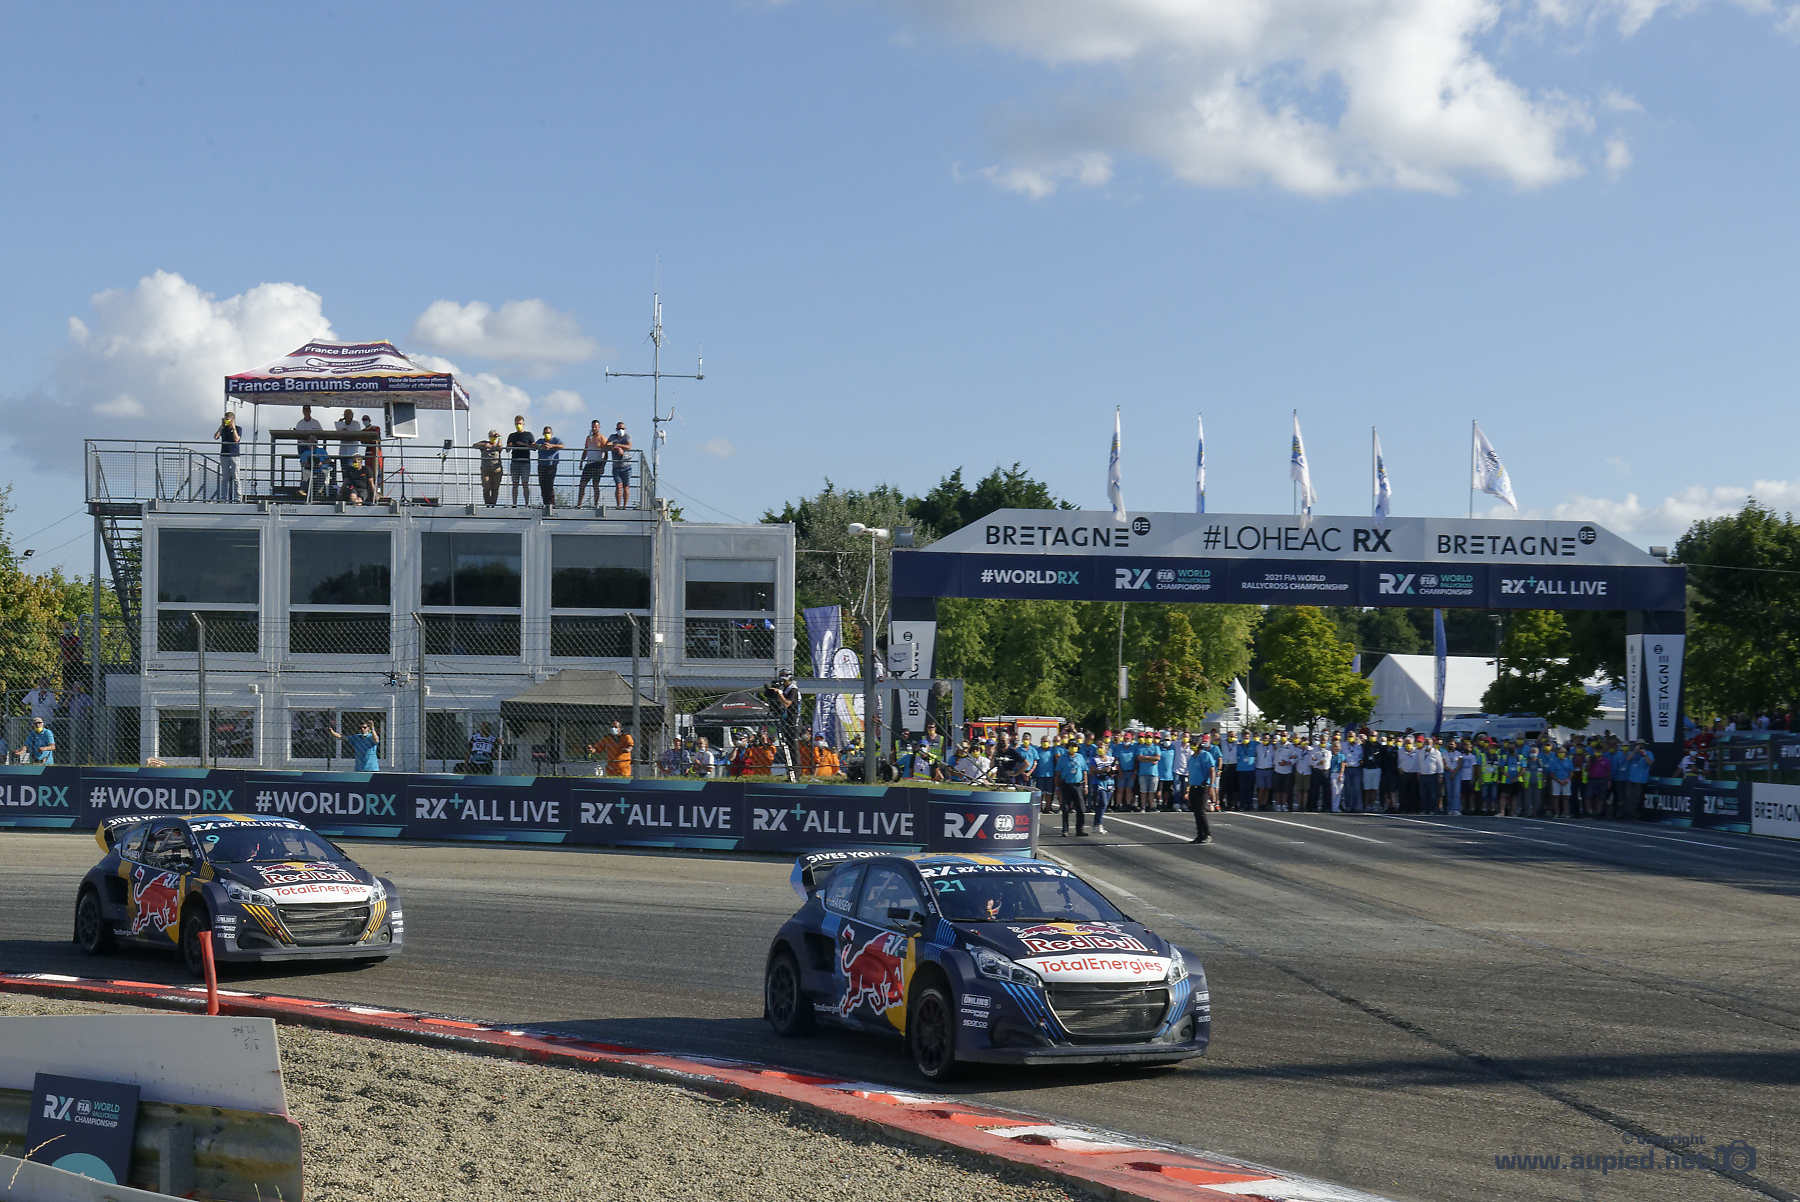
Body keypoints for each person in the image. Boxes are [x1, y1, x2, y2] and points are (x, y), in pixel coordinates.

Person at [1056, 738, 1088, 836]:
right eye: (1071, 746)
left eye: (1075, 746)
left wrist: (1086, 785)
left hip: (1078, 785)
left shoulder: (1080, 757)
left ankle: (1080, 830)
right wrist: (1057, 787)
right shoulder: (1063, 758)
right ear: (1068, 747)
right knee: (1065, 808)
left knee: (1081, 808)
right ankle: (1065, 830)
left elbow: (1084, 771)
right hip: (1066, 785)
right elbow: (1058, 773)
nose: (1073, 748)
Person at [294, 404, 326, 499]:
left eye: (308, 410)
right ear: (303, 411)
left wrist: (322, 462)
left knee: (321, 472)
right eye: (305, 410)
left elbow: (322, 433)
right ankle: (304, 489)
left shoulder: (316, 422)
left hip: (315, 453)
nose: (306, 412)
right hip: (303, 447)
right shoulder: (299, 423)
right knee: (305, 469)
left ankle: (318, 490)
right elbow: (297, 437)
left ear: (310, 411)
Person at [578, 420, 610, 508]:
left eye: (595, 427)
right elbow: (585, 450)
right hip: (589, 464)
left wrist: (603, 466)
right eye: (592, 427)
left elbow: (606, 453)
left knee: (595, 485)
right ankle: (579, 504)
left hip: (597, 464)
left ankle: (596, 504)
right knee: (582, 484)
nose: (594, 428)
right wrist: (581, 461)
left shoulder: (602, 438)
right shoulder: (589, 438)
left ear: (599, 427)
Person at [505, 415, 535, 506]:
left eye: (520, 423)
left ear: (523, 424)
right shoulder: (512, 435)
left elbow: (534, 448)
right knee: (515, 484)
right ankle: (514, 504)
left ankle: (526, 504)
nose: (518, 425)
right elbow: (507, 450)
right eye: (517, 423)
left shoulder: (528, 434)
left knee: (525, 484)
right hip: (515, 461)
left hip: (525, 462)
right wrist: (509, 446)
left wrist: (523, 444)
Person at [212, 411, 241, 501]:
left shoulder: (238, 428)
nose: (226, 421)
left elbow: (237, 439)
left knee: (236, 477)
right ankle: (223, 498)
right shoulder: (223, 429)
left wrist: (233, 428)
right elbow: (216, 437)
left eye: (228, 420)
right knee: (225, 478)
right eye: (225, 419)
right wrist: (221, 426)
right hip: (224, 455)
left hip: (234, 455)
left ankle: (238, 497)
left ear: (232, 420)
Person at [535, 425, 564, 509]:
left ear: (551, 433)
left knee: (549, 485)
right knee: (542, 485)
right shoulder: (541, 441)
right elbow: (533, 446)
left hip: (551, 466)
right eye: (545, 433)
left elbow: (562, 446)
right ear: (543, 434)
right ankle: (546, 504)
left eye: (548, 433)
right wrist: (540, 446)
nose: (547, 434)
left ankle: (552, 504)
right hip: (541, 465)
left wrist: (552, 446)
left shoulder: (555, 440)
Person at [475, 430, 505, 507]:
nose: (492, 437)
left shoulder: (497, 444)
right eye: (491, 436)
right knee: (486, 487)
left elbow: (500, 448)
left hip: (497, 470)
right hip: (485, 470)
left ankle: (493, 505)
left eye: (494, 436)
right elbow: (474, 445)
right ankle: (487, 504)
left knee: (495, 488)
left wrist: (499, 437)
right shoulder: (484, 443)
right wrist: (485, 445)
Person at [334, 408, 360, 493]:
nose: (347, 417)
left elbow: (357, 435)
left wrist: (346, 432)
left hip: (353, 453)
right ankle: (346, 489)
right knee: (344, 471)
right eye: (346, 415)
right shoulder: (341, 424)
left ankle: (354, 489)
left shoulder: (356, 424)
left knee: (353, 471)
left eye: (348, 415)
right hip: (343, 453)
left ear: (352, 416)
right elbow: (338, 434)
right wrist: (340, 424)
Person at [608, 421, 633, 507]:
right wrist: (615, 447)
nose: (620, 430)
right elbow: (607, 445)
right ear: (616, 429)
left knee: (626, 487)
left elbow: (629, 446)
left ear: (625, 429)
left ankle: (624, 506)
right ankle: (618, 505)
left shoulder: (627, 436)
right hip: (616, 466)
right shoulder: (612, 437)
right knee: (618, 486)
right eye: (619, 428)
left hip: (626, 466)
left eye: (622, 428)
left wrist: (619, 446)